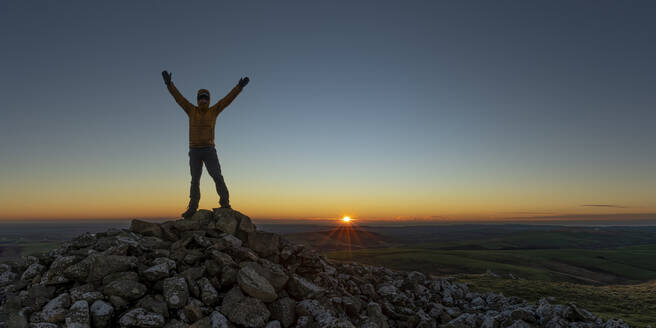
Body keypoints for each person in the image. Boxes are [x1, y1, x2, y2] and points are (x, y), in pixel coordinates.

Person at [162, 70, 250, 218]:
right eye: (200, 98)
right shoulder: (191, 110)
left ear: (208, 99)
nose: (203, 100)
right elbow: (179, 98)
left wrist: (239, 87)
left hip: (209, 150)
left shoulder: (213, 111)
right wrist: (169, 84)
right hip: (194, 151)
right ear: (197, 99)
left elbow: (227, 99)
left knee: (217, 175)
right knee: (195, 180)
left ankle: (225, 203)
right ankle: (192, 207)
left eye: (205, 98)